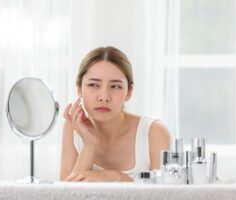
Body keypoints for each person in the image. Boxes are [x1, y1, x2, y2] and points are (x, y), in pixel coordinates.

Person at [60, 46, 170, 182]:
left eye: (115, 86)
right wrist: (89, 145)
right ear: (79, 87)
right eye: (94, 85)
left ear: (129, 92)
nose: (104, 97)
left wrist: (118, 177)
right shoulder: (73, 127)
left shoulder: (154, 132)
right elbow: (66, 195)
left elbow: (166, 195)